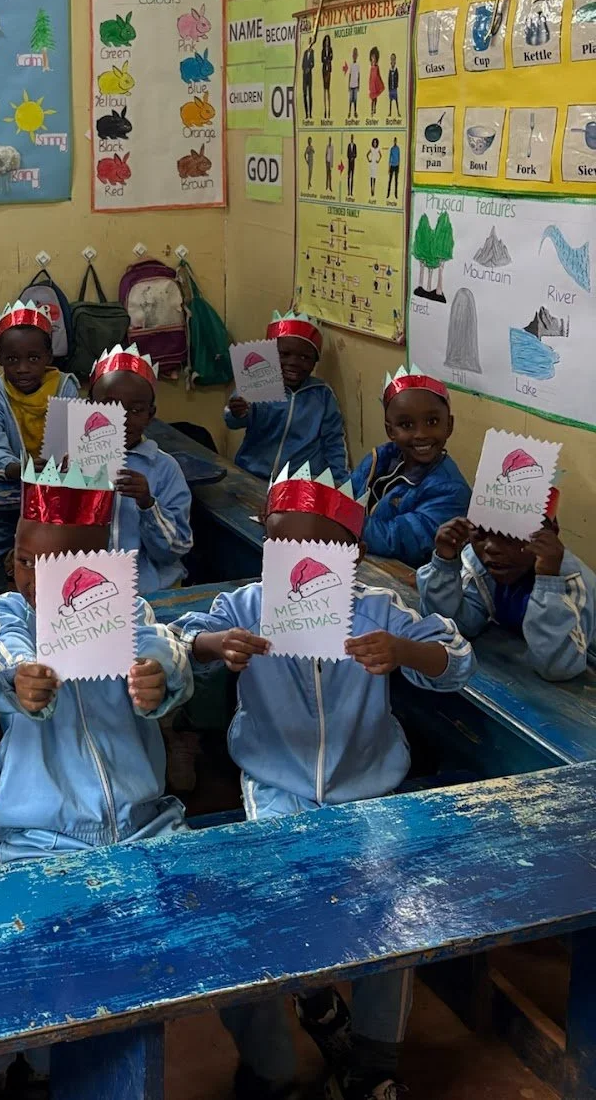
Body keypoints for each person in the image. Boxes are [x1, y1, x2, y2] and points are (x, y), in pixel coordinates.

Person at [180, 465, 475, 1100]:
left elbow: (454, 659)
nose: (294, 560)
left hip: (367, 786)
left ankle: (374, 1057)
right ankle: (311, 999)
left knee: (388, 917)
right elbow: (184, 638)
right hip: (276, 781)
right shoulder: (248, 605)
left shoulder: (378, 610)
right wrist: (212, 646)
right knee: (288, 904)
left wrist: (404, 654)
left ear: (353, 553)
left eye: (313, 547)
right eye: (279, 543)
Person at [0, 458, 192, 1100]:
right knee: (28, 967)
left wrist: (157, 678)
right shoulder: (10, 613)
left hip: (143, 824)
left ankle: (262, 1064)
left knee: (194, 941)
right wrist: (21, 678)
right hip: (39, 838)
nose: (37, 583)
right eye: (23, 562)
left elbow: (166, 647)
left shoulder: (125, 613)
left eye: (62, 568)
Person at [0, 300, 80, 604]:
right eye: (12, 359)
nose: (23, 368)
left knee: (69, 565)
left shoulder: (66, 386)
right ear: (0, 358)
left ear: (49, 356)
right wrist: (18, 468)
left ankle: (53, 607)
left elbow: (75, 445)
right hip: (4, 498)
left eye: (33, 357)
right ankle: (10, 608)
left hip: (56, 499)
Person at [418, 499, 595, 681]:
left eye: (512, 535)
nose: (491, 548)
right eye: (480, 534)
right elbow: (456, 625)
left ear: (551, 534)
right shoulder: (479, 564)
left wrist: (547, 583)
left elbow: (558, 667)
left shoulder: (570, 583)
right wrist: (445, 564)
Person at [89, 344, 192, 592]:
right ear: (90, 405)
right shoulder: (69, 463)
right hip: (93, 593)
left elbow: (176, 548)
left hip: (149, 592)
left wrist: (148, 504)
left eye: (135, 410)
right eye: (110, 407)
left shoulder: (164, 468)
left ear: (150, 414)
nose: (122, 419)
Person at [349, 368, 470, 568]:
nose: (421, 434)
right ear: (390, 430)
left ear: (449, 425)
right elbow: (348, 494)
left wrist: (342, 520)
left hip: (412, 586)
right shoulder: (380, 459)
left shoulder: (451, 491)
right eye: (406, 425)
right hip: (364, 561)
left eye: (432, 422)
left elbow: (398, 541)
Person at [225, 312, 349, 484]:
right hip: (253, 477)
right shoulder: (258, 382)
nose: (294, 362)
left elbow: (334, 441)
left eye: (305, 357)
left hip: (300, 485)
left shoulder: (322, 394)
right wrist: (238, 413)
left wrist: (341, 482)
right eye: (284, 354)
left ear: (315, 362)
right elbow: (232, 420)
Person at [367, 45, 383, 119]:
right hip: (372, 85)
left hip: (376, 85)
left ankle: (374, 108)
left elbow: (378, 75)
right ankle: (371, 109)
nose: (373, 59)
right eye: (372, 57)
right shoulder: (371, 67)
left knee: (375, 98)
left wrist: (380, 83)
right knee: (372, 98)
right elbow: (370, 76)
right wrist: (369, 84)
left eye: (374, 57)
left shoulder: (377, 67)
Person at [345, 46, 361, 121]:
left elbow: (359, 76)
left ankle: (355, 112)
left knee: (355, 99)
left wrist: (359, 85)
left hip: (356, 85)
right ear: (352, 56)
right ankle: (349, 112)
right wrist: (348, 85)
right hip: (351, 85)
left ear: (357, 56)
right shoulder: (351, 65)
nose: (354, 56)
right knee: (350, 99)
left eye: (355, 54)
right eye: (353, 54)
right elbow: (350, 75)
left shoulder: (358, 65)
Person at [301, 40, 315, 120]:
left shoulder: (312, 52)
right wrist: (304, 69)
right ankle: (306, 113)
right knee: (304, 94)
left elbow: (313, 63)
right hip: (304, 76)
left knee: (310, 94)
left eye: (311, 43)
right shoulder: (305, 53)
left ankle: (310, 113)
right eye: (309, 43)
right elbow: (303, 64)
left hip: (309, 75)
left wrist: (309, 68)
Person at [320, 34, 334, 117]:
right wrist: (327, 59)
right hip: (324, 69)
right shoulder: (322, 50)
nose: (327, 42)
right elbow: (322, 59)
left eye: (328, 41)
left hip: (329, 70)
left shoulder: (330, 49)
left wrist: (327, 59)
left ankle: (329, 110)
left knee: (328, 89)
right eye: (326, 40)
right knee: (324, 89)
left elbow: (331, 58)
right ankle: (325, 109)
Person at [386, 52, 401, 120]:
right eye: (391, 59)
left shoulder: (396, 69)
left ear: (395, 61)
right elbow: (388, 79)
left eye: (393, 59)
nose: (392, 61)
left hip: (394, 88)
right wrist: (389, 87)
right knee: (390, 101)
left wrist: (396, 85)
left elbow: (397, 78)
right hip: (390, 88)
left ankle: (398, 112)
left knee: (396, 100)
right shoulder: (390, 70)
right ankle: (390, 112)